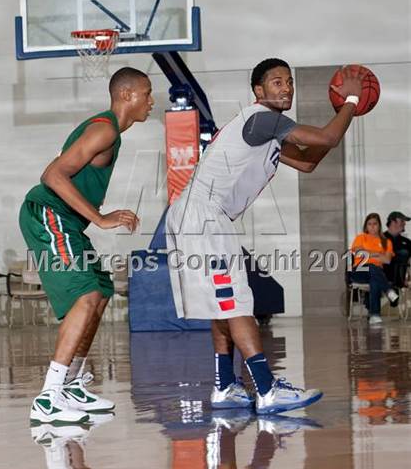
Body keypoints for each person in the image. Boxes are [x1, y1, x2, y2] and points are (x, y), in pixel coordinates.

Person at [166, 59, 366, 414]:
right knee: (236, 303)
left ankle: (226, 385)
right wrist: (350, 103)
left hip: (201, 217)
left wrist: (337, 121)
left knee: (222, 302)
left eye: (289, 82)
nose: (286, 88)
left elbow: (308, 161)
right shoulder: (262, 117)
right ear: (259, 91)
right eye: (277, 82)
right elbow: (326, 138)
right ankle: (267, 389)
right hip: (204, 216)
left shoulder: (267, 128)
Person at [19, 67, 154, 425]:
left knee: (101, 290)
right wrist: (99, 217)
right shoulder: (105, 128)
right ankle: (49, 397)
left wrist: (95, 216)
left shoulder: (111, 133)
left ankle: (72, 386)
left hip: (66, 220)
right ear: (126, 95)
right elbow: (52, 175)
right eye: (147, 92)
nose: (151, 101)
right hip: (47, 213)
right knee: (86, 296)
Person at [350, 213, 398, 324]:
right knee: (373, 267)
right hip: (359, 270)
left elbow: (387, 260)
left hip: (376, 273)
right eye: (369, 224)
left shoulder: (386, 242)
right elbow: (359, 253)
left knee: (374, 279)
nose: (372, 226)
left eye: (375, 224)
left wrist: (369, 254)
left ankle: (374, 316)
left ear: (379, 225)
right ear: (366, 226)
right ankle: (388, 290)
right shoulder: (361, 237)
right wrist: (378, 254)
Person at [383, 211, 411, 295]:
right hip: (383, 278)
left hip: (400, 280)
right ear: (393, 222)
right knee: (403, 253)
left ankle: (397, 284)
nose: (405, 224)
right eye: (402, 221)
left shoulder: (407, 242)